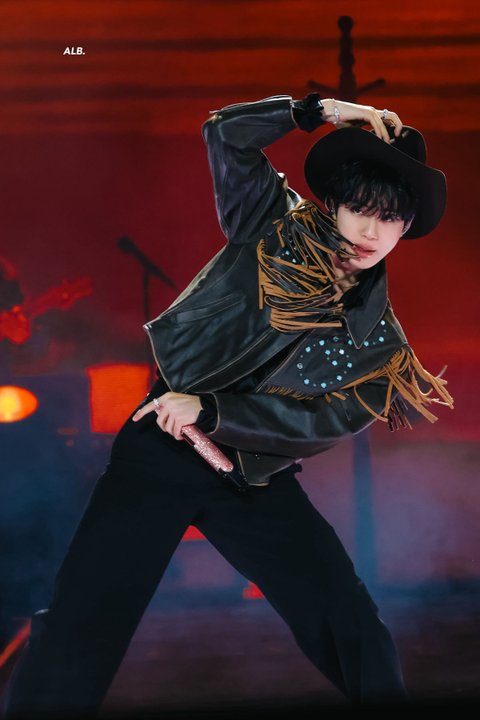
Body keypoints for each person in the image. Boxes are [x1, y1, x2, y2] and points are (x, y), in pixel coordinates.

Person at [2, 93, 453, 716]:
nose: (371, 233)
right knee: (83, 621)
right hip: (161, 449)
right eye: (360, 210)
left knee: (349, 619)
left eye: (390, 218)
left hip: (253, 477)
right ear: (335, 203)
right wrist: (318, 110)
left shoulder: (381, 345)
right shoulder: (271, 221)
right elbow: (224, 134)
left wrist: (213, 411)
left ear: (407, 226)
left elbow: (317, 424)